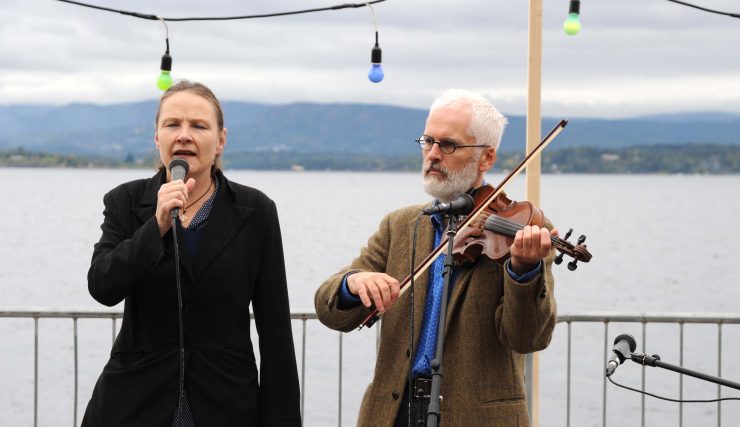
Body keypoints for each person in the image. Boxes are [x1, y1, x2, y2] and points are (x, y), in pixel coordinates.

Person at [314, 89, 558, 426]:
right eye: (428, 141)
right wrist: (351, 284)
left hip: (476, 417)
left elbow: (527, 337)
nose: (432, 154)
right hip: (394, 413)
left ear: (486, 158)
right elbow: (330, 312)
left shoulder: (524, 229)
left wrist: (523, 271)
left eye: (449, 145)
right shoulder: (400, 225)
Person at [82, 80, 301, 426]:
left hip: (225, 404)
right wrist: (155, 227)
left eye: (198, 126)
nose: (184, 135)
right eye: (172, 125)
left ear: (221, 140)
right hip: (135, 404)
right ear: (157, 138)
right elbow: (102, 285)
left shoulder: (256, 211)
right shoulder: (125, 202)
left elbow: (275, 333)